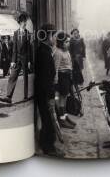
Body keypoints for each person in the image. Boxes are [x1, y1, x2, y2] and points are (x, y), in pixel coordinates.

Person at [34, 23, 63, 157]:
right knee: (48, 122)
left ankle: (46, 144)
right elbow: (46, 79)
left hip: (43, 93)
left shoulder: (44, 50)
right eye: (54, 36)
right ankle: (49, 148)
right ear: (48, 36)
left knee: (47, 120)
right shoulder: (44, 53)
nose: (55, 39)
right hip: (45, 94)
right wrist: (51, 97)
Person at [0, 13, 32, 103]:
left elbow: (29, 49)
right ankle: (8, 97)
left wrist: (29, 61)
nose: (25, 23)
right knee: (12, 76)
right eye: (24, 22)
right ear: (20, 22)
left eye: (26, 22)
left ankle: (25, 96)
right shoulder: (16, 33)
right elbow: (14, 49)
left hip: (25, 59)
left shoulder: (28, 34)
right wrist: (12, 61)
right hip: (16, 59)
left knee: (25, 78)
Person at [53, 32, 76, 129]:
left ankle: (65, 116)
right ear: (61, 43)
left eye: (69, 42)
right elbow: (56, 68)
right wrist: (56, 81)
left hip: (67, 77)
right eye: (66, 42)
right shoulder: (58, 52)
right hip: (61, 78)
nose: (68, 44)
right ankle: (62, 119)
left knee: (65, 97)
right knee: (61, 99)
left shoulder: (66, 51)